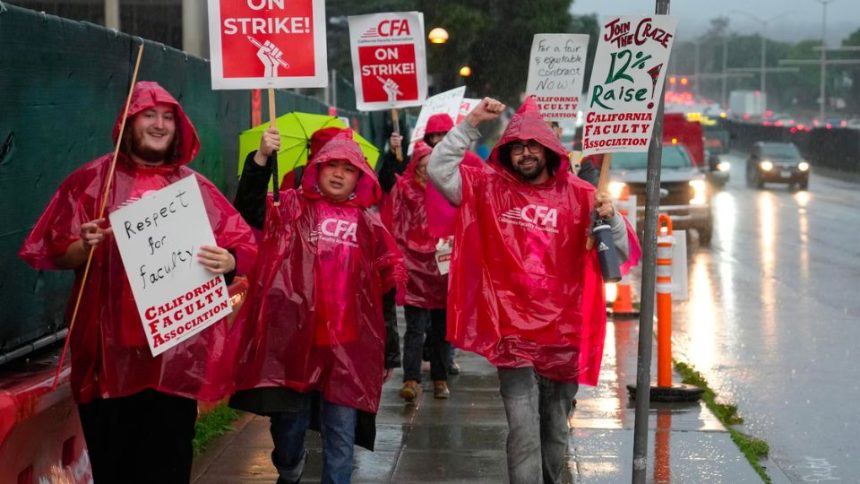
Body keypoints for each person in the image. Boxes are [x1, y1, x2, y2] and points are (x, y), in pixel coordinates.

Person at [18, 81, 257, 483]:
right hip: (106, 359)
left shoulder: (194, 187)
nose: (159, 124)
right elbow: (56, 250)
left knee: (168, 465)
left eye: (167, 117)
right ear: (129, 122)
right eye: (149, 115)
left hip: (175, 359)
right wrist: (84, 243)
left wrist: (228, 259)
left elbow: (243, 246)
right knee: (115, 468)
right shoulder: (92, 180)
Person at [427, 96, 634, 484]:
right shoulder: (487, 189)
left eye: (532, 145)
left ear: (548, 149)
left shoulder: (582, 195)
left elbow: (620, 251)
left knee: (555, 429)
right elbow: (439, 169)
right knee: (523, 429)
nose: (524, 153)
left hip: (564, 333)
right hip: (513, 335)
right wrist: (472, 123)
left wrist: (612, 219)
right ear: (507, 152)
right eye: (517, 146)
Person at [229, 129, 406, 484]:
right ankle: (290, 469)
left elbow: (383, 289)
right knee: (289, 432)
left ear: (360, 175)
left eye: (348, 167)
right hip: (293, 346)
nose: (339, 173)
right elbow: (247, 209)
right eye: (331, 165)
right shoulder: (289, 207)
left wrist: (388, 353)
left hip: (346, 351)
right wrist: (262, 159)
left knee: (341, 436)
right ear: (317, 167)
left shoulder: (370, 225)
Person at [382, 141, 451, 401]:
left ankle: (440, 378)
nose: (426, 170)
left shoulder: (446, 187)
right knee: (415, 328)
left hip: (442, 268)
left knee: (442, 330)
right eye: (422, 165)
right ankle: (412, 378)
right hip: (415, 268)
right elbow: (395, 221)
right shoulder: (404, 187)